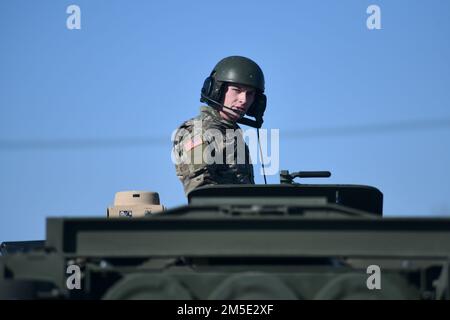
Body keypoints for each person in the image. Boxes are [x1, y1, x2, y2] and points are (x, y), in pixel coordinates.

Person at [172, 56, 267, 196]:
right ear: (217, 90)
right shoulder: (196, 131)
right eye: (237, 90)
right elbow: (202, 192)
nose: (244, 100)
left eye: (250, 94)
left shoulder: (232, 134)